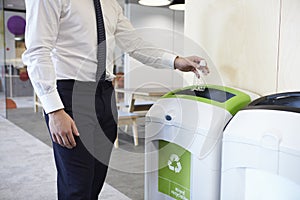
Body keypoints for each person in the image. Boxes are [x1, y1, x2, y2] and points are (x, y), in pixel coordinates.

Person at [22, 0, 209, 199]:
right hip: (71, 94)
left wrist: (176, 61)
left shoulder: (109, 3)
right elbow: (37, 51)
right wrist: (54, 110)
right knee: (77, 186)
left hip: (105, 94)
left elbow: (135, 45)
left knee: (95, 180)